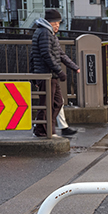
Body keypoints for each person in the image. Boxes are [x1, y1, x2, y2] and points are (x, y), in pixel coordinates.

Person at [31, 9, 80, 137]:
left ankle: (43, 128)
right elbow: (46, 54)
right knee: (48, 103)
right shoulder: (45, 33)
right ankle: (43, 130)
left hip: (49, 74)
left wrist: (74, 67)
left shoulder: (46, 33)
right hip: (47, 74)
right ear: (49, 22)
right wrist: (59, 71)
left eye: (58, 23)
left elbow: (60, 54)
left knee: (56, 102)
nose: (57, 25)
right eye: (55, 23)